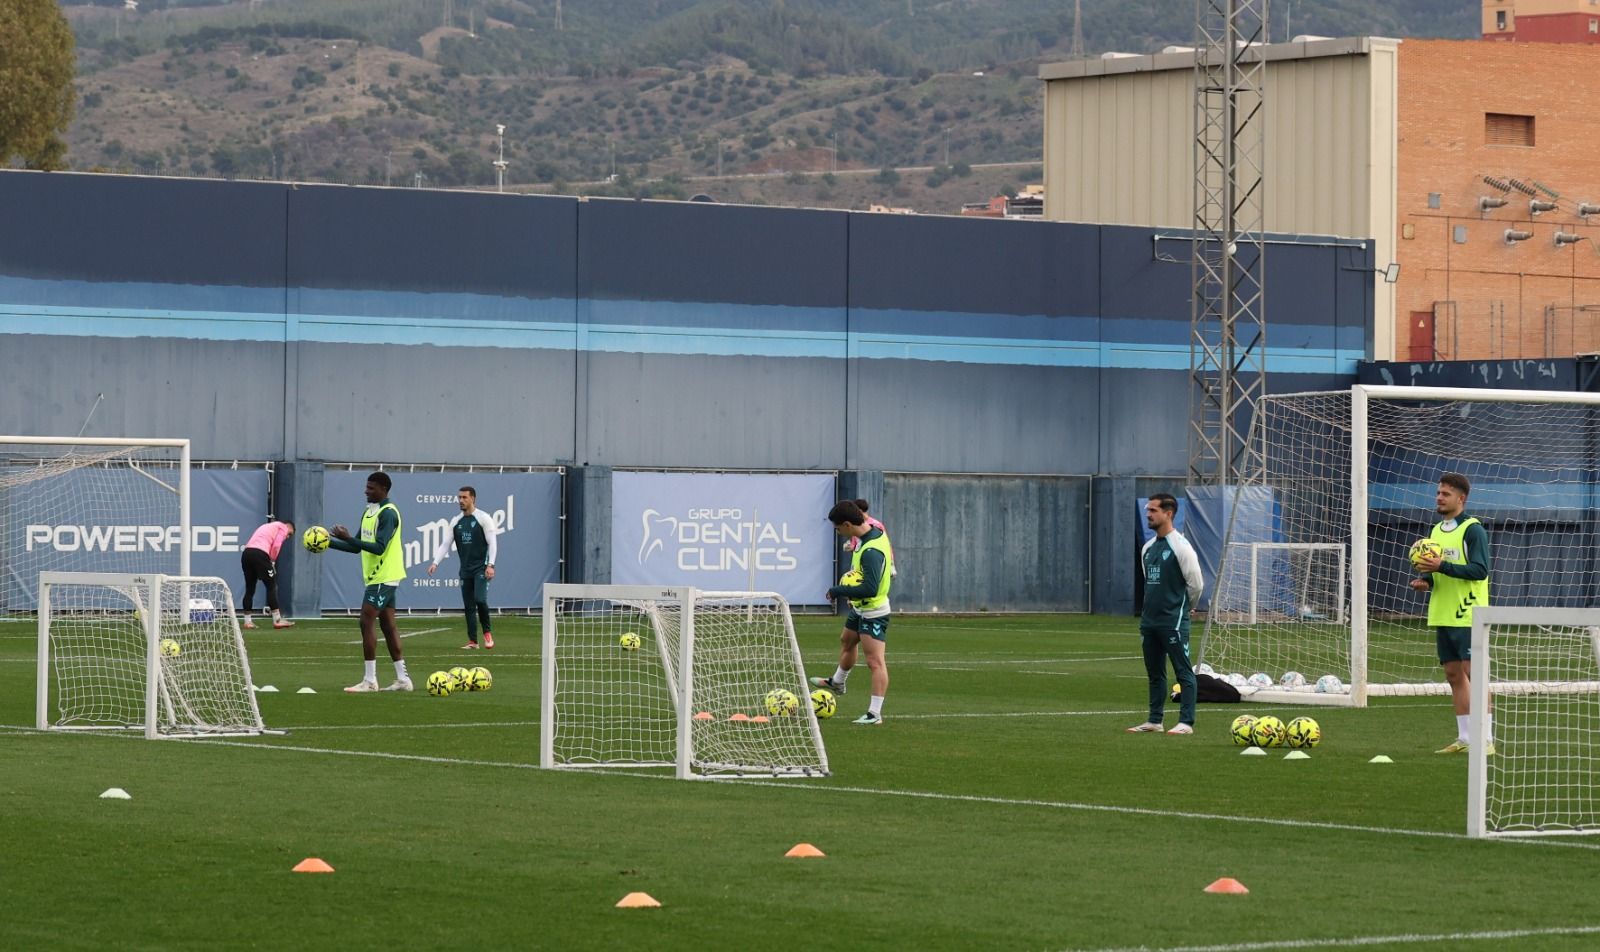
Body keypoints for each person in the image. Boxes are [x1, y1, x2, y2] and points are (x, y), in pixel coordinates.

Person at [1409, 472, 1492, 754]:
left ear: (1461, 498)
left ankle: (1487, 740)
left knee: (1475, 673)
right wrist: (1427, 581)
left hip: (1469, 612)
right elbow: (1439, 571)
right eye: (1438, 493)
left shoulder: (1473, 530)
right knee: (1453, 675)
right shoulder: (1434, 532)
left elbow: (1480, 571)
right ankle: (1466, 738)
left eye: (1445, 494)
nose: (1439, 498)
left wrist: (1441, 567)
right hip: (1443, 611)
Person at [810, 500, 894, 725]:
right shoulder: (870, 533)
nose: (837, 532)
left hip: (873, 610)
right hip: (860, 607)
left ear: (847, 524)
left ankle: (874, 714)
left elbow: (871, 587)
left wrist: (839, 590)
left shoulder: (871, 551)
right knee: (846, 641)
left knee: (875, 662)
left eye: (838, 528)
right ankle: (837, 682)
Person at [327, 472, 412, 693]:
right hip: (380, 577)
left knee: (366, 621)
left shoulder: (389, 514)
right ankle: (403, 679)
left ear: (384, 489)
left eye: (371, 488)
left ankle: (370, 680)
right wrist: (328, 543)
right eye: (367, 487)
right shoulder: (369, 512)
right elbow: (357, 546)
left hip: (383, 576)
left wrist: (347, 538)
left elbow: (380, 547)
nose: (366, 491)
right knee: (387, 625)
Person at [1128, 493, 1203, 735]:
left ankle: (1186, 723)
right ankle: (1154, 720)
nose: (1148, 514)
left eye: (1153, 510)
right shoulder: (1148, 548)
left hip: (1173, 622)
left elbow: (1196, 584)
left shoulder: (1181, 547)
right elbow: (1150, 582)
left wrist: (1184, 607)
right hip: (1149, 622)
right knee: (1155, 673)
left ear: (1168, 514)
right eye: (1147, 510)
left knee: (1183, 671)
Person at [427, 485, 499, 649]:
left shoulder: (483, 518)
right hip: (465, 570)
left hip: (481, 568)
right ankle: (473, 641)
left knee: (480, 599)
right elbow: (445, 544)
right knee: (468, 606)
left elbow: (492, 543)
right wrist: (435, 563)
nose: (461, 500)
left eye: (464, 497)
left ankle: (487, 633)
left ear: (473, 498)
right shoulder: (456, 521)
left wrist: (491, 565)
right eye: (459, 497)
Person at [240, 517, 294, 630]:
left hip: (246, 553)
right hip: (260, 553)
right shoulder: (282, 527)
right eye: (290, 534)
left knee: (250, 588)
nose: (287, 537)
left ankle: (247, 621)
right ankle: (277, 620)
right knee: (272, 586)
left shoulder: (267, 526)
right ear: (288, 527)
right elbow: (276, 545)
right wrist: (272, 560)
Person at [843, 497, 897, 577]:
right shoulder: (856, 524)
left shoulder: (876, 525)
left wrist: (891, 564)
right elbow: (856, 546)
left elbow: (886, 545)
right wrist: (849, 547)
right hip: (857, 567)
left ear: (860, 511)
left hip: (872, 565)